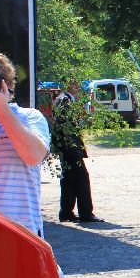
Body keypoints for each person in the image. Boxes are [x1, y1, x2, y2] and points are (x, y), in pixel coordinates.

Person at [0, 49, 49, 237]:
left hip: (20, 240)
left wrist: (2, 110)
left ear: (3, 85)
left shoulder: (29, 117)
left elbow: (33, 155)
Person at [53, 79, 102, 223]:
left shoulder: (63, 99)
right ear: (71, 86)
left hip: (66, 146)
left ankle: (66, 212)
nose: (79, 89)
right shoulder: (65, 100)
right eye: (77, 85)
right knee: (81, 177)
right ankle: (86, 212)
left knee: (68, 179)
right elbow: (66, 127)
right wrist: (73, 147)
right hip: (70, 147)